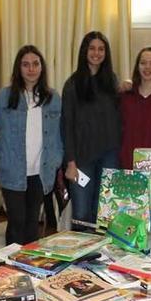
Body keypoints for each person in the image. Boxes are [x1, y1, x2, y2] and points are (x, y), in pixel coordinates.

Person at [0, 45, 63, 245]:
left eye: (35, 64)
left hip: (41, 171)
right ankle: (10, 268)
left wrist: (56, 159)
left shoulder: (53, 98)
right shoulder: (4, 97)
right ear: (18, 68)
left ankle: (30, 267)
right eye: (26, 64)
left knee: (32, 223)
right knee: (16, 221)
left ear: (42, 67)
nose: (31, 69)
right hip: (12, 170)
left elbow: (60, 132)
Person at [62, 31, 122, 229]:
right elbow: (67, 125)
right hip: (82, 161)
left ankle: (98, 258)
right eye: (92, 48)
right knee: (81, 212)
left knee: (103, 212)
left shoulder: (112, 81)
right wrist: (70, 162)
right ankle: (79, 258)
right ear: (84, 51)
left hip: (109, 157)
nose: (97, 53)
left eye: (101, 49)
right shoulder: (72, 85)